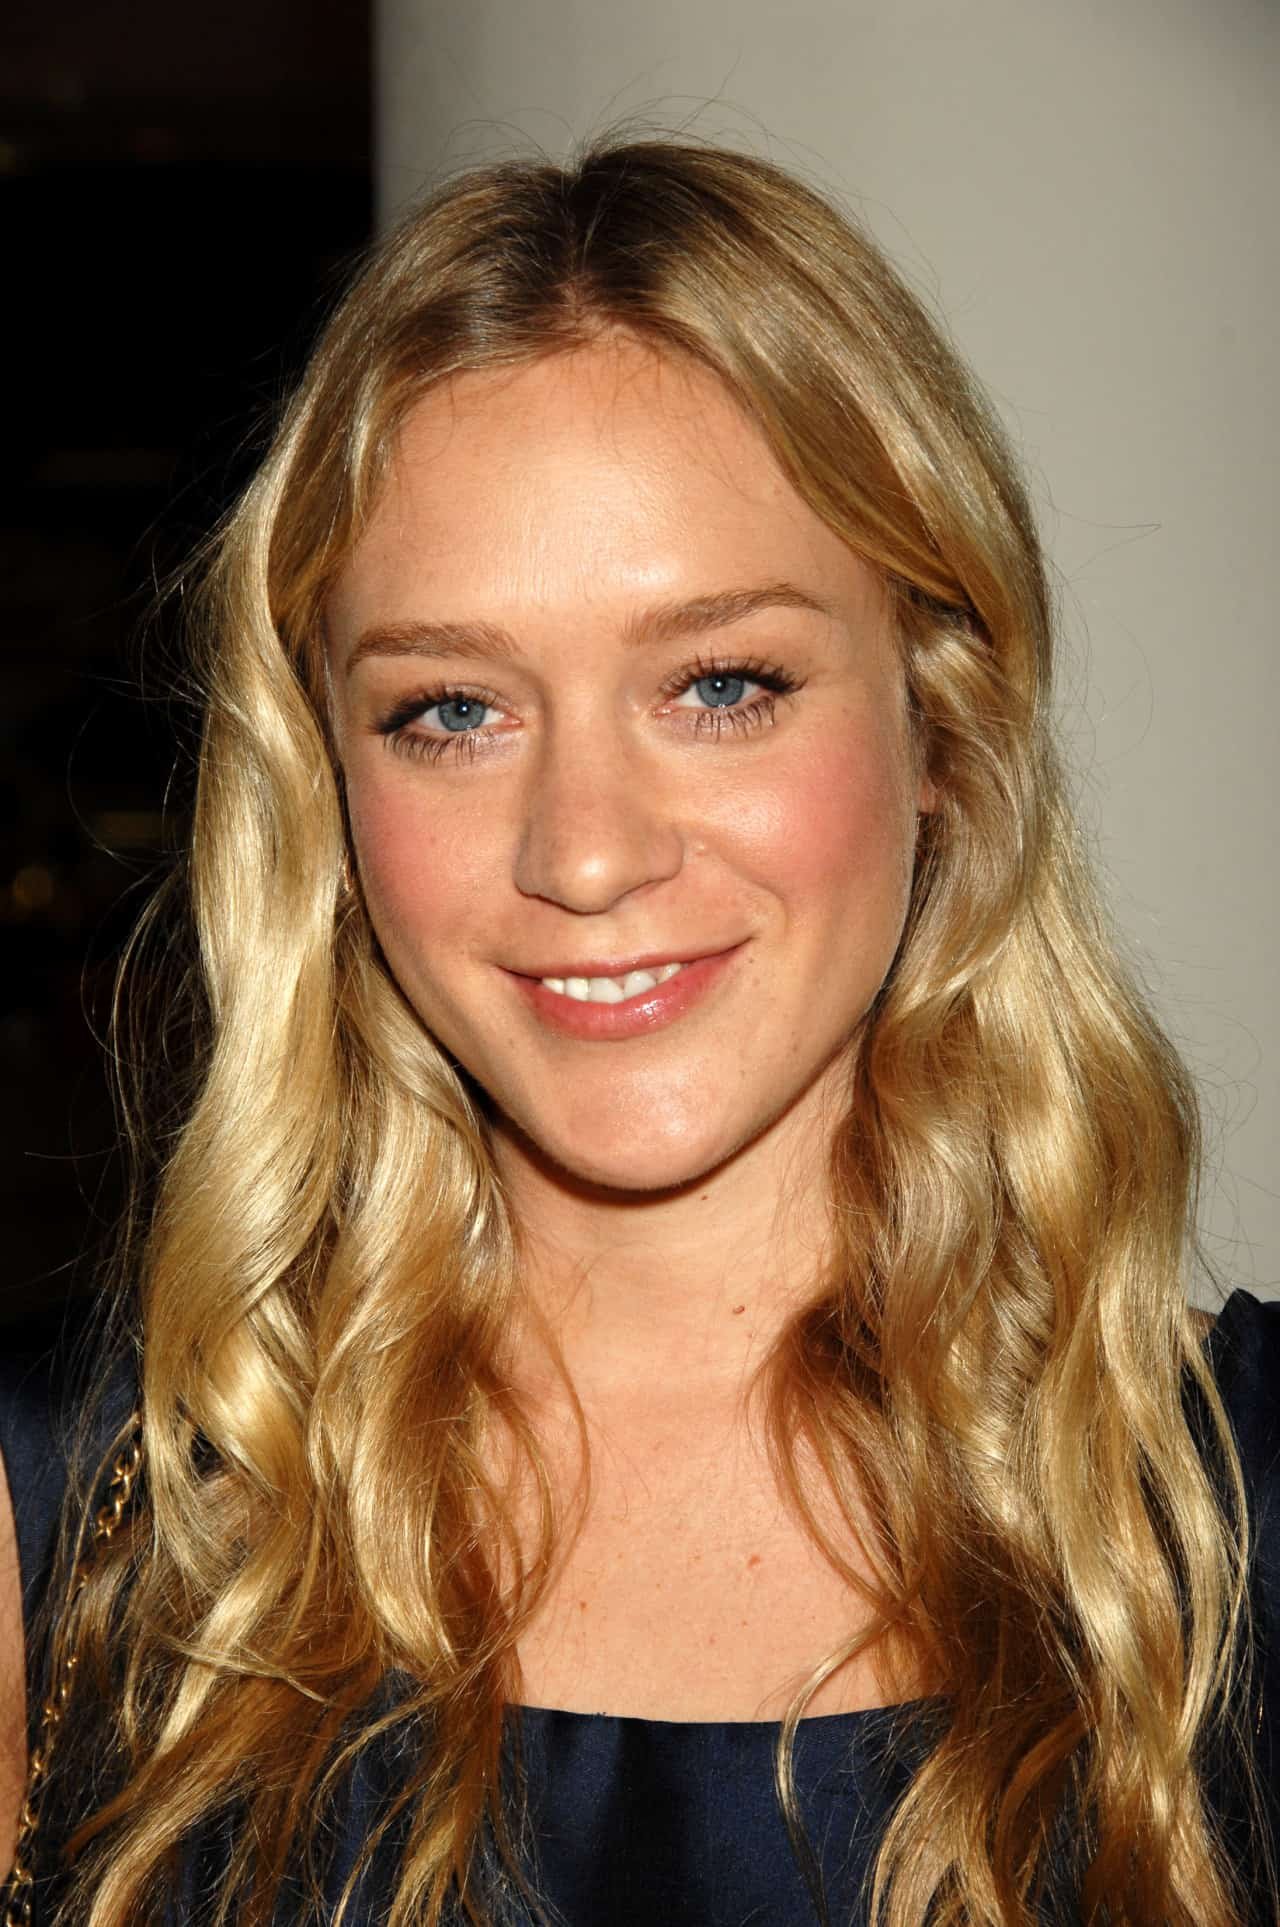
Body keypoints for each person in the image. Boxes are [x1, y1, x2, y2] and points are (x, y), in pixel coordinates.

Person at [0, 133, 1275, 1927]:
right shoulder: (70, 1534)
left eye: (721, 684)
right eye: (453, 711)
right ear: (328, 786)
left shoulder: (1241, 1531)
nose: (587, 854)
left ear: (943, 726)